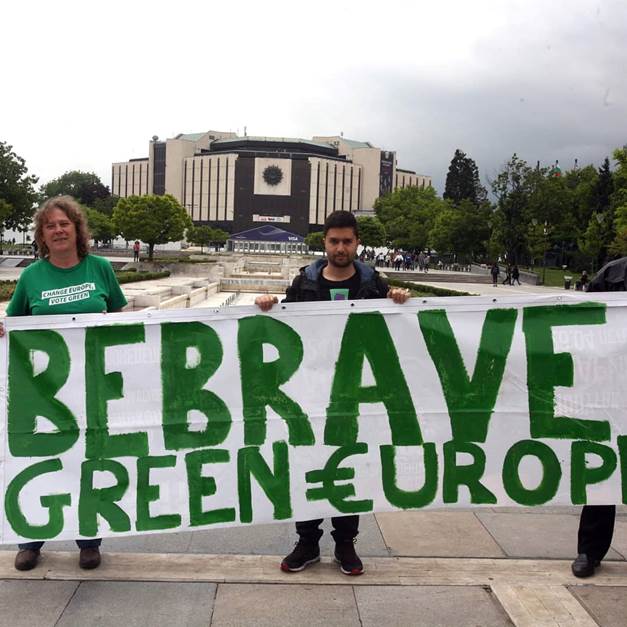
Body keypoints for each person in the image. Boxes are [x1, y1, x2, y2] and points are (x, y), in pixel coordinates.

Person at [255, 210, 411, 576]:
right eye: (334, 241)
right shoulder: (305, 282)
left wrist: (399, 298)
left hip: (355, 394)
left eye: (347, 241)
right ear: (324, 242)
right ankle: (307, 541)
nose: (341, 248)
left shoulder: (373, 283)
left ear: (357, 242)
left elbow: (401, 324)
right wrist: (269, 306)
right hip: (309, 392)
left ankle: (345, 543)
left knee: (349, 463)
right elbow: (284, 325)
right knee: (308, 463)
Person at [0, 195, 128, 572]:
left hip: (92, 387)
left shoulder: (100, 269)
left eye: (64, 224)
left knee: (89, 458)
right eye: (49, 226)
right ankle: (31, 539)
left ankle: (88, 539)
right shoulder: (31, 276)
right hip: (44, 391)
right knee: (42, 456)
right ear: (41, 234)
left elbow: (122, 323)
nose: (57, 230)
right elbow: (14, 327)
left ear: (76, 229)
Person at [571, 256, 627, 578]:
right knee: (603, 469)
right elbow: (584, 326)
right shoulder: (611, 274)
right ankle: (589, 551)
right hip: (612, 391)